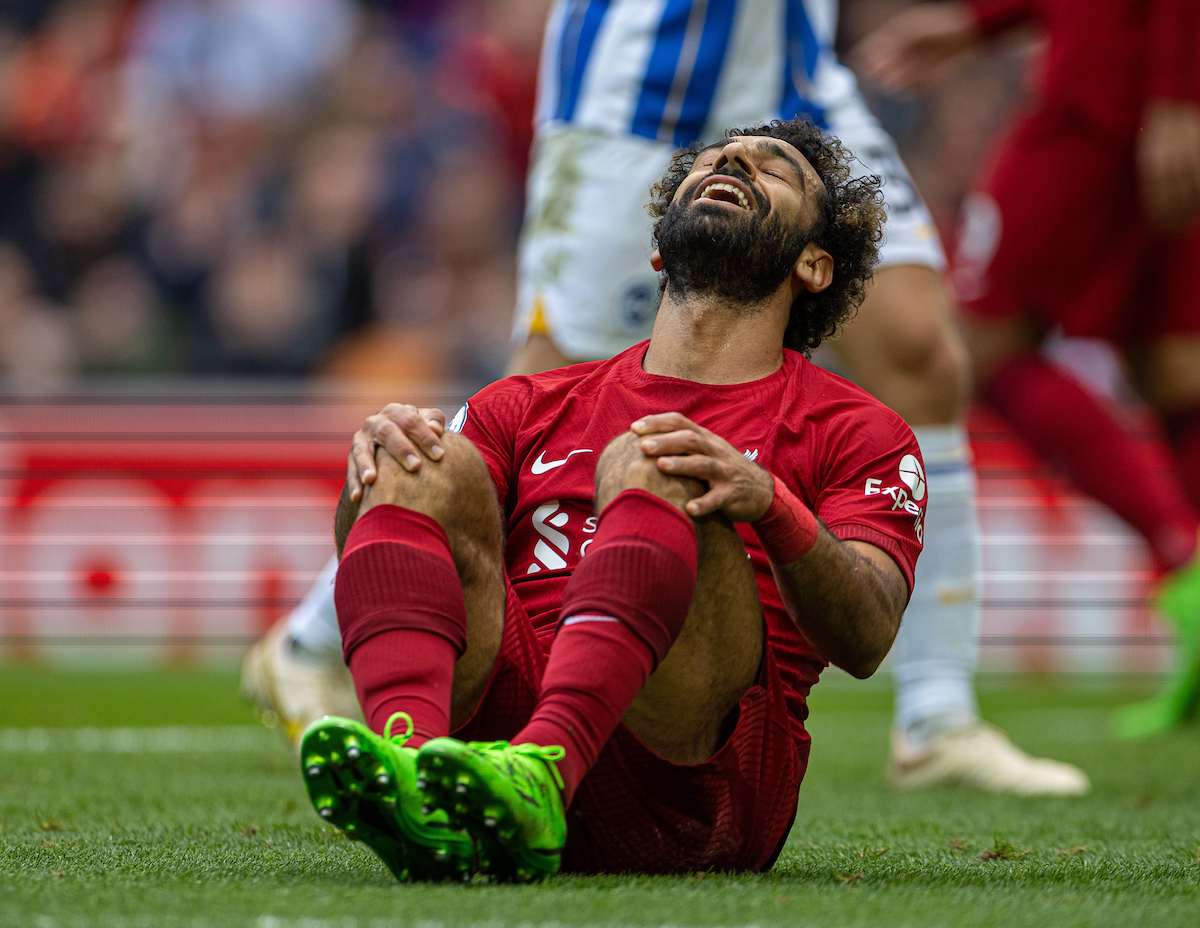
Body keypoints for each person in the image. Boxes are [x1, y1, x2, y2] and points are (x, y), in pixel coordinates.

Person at [248, 0, 1088, 794]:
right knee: (551, 389)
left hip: (792, 61)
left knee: (919, 353)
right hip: (646, 62)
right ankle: (313, 642)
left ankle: (936, 714)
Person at [302, 120, 920, 882]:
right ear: (660, 251)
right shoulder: (523, 404)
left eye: (773, 169)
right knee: (416, 453)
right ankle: (412, 773)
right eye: (715, 160)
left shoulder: (860, 429)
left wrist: (768, 502)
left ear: (815, 264)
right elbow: (386, 559)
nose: (730, 160)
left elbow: (868, 636)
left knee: (656, 452)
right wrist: (369, 470)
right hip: (492, 747)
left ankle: (544, 774)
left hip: (692, 788)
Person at [858, 0, 1200, 737]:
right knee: (1172, 368)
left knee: (977, 348)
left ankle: (1183, 559)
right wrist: (984, 21)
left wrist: (1179, 94)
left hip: (1104, 103)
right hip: (1139, 94)